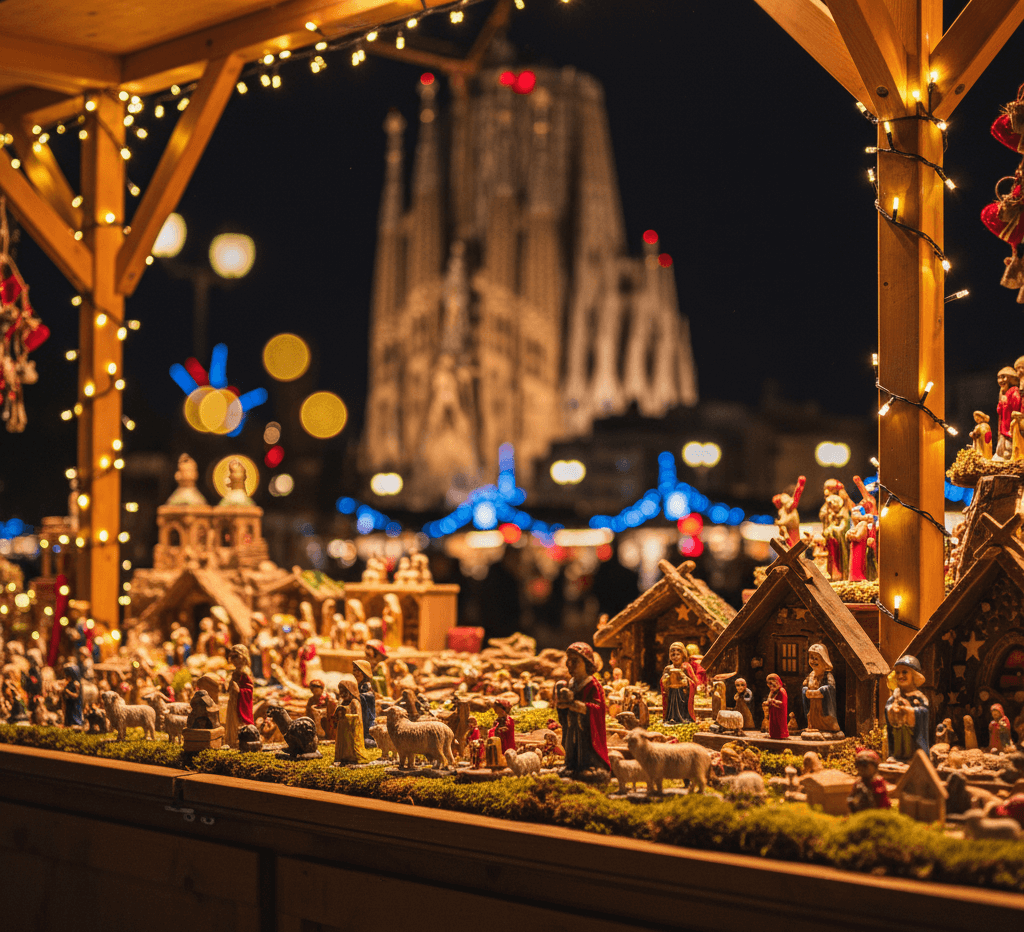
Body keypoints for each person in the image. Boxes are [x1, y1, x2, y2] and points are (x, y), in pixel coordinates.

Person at [556, 642, 610, 777]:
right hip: (572, 723)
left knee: (584, 745)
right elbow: (565, 707)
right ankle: (570, 764)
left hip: (586, 726)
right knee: (571, 744)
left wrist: (575, 705)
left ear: (586, 663)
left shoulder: (592, 684)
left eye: (575, 661)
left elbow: (597, 708)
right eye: (568, 661)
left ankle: (588, 766)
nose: (570, 665)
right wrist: (562, 707)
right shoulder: (572, 683)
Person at [884, 654, 930, 761]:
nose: (900, 676)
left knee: (909, 745)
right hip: (897, 731)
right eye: (898, 672)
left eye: (904, 672)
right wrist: (892, 710)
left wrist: (910, 711)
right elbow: (888, 709)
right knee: (898, 741)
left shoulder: (919, 696)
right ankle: (896, 756)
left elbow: (924, 712)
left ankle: (914, 758)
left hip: (913, 735)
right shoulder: (896, 695)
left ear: (914, 675)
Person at [802, 643, 842, 735]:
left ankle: (829, 728)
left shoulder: (827, 675)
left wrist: (820, 691)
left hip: (823, 708)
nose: (813, 661)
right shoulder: (811, 675)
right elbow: (805, 686)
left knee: (826, 720)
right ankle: (813, 726)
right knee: (812, 718)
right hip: (813, 706)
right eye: (811, 658)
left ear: (823, 660)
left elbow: (830, 688)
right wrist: (805, 690)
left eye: (816, 658)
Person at [660, 641, 697, 724]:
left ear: (682, 655)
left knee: (681, 705)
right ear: (670, 656)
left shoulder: (686, 667)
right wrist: (666, 679)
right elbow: (663, 682)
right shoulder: (668, 668)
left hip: (683, 694)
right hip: (671, 692)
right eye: (673, 655)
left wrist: (685, 681)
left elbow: (693, 682)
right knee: (672, 705)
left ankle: (684, 717)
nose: (675, 657)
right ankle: (671, 718)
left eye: (678, 654)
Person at [847, 748, 891, 813]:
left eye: (866, 767)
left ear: (874, 767)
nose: (863, 770)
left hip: (877, 811)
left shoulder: (877, 781)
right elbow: (851, 796)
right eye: (860, 767)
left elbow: (882, 799)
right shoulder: (858, 782)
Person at [996, 366, 1021, 459]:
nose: (1000, 380)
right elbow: (999, 410)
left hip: (1010, 428)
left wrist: (1005, 402)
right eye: (999, 378)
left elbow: (1016, 407)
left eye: (1003, 377)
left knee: (1008, 451)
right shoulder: (1004, 393)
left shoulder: (1014, 392)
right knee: (1001, 451)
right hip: (1003, 428)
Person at [352, 660, 377, 747]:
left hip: (367, 715)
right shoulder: (358, 685)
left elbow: (368, 696)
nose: (356, 673)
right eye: (354, 670)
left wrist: (357, 697)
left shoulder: (366, 686)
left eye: (359, 671)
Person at [763, 673, 789, 739]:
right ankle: (773, 734)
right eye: (769, 684)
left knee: (779, 724)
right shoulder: (773, 691)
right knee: (773, 724)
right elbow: (769, 699)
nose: (771, 686)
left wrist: (773, 701)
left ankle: (781, 735)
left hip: (779, 712)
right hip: (773, 711)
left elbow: (783, 703)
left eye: (772, 684)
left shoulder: (781, 691)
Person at [62, 662, 84, 727]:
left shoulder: (76, 683)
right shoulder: (69, 683)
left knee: (74, 714)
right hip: (69, 703)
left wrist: (67, 692)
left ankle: (76, 723)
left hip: (75, 704)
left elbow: (76, 695)